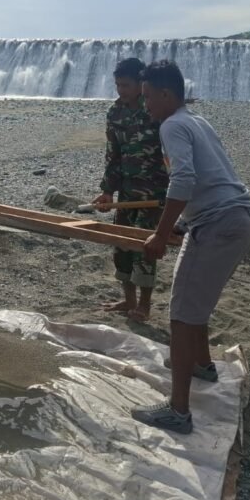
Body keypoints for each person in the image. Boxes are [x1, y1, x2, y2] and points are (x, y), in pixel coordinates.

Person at [130, 60, 250, 434]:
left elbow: (183, 178)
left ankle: (179, 411)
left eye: (149, 98)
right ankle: (201, 365)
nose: (146, 106)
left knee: (182, 314)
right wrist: (182, 223)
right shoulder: (196, 120)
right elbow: (210, 176)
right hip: (236, 218)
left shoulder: (172, 125)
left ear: (167, 94)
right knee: (192, 304)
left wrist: (160, 232)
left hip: (220, 222)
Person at [93, 57, 168, 321]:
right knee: (121, 245)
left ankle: (144, 305)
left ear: (140, 84)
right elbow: (112, 154)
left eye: (125, 85)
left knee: (144, 248)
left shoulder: (156, 112)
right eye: (117, 85)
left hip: (153, 194)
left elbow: (171, 155)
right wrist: (107, 190)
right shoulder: (115, 113)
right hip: (126, 192)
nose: (120, 90)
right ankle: (128, 300)